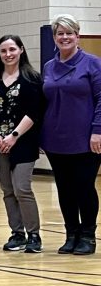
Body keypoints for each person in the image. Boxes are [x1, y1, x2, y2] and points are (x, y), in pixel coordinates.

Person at [42, 14, 101, 255]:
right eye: (59, 33)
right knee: (64, 188)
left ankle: (88, 235)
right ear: (54, 37)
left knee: (84, 186)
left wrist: (98, 131)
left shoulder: (92, 63)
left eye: (69, 33)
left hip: (86, 138)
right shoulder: (48, 66)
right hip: (56, 138)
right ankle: (71, 233)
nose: (64, 37)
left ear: (77, 36)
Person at [0, 35, 44, 253]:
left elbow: (34, 111)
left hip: (23, 142)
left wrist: (14, 136)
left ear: (21, 50)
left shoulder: (32, 78)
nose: (8, 54)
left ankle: (33, 234)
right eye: (3, 51)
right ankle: (17, 233)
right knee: (7, 190)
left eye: (12, 49)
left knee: (22, 188)